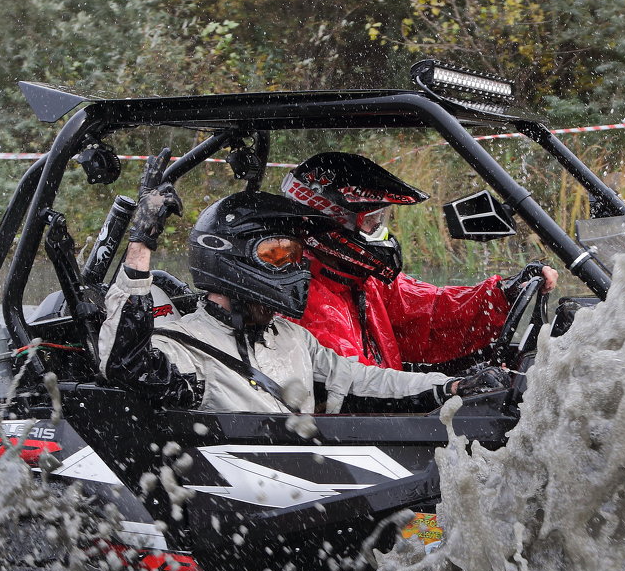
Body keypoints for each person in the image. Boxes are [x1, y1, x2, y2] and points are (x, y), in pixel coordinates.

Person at [99, 149, 507, 413]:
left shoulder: (291, 338)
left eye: (295, 254)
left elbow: (368, 381)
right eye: (277, 254)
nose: (295, 267)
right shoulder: (187, 350)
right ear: (230, 258)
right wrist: (141, 242)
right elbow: (127, 366)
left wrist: (451, 387)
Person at [280, 152, 559, 369]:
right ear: (333, 223)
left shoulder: (356, 279)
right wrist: (441, 392)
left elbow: (431, 313)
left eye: (382, 219)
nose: (383, 232)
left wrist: (504, 294)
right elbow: (362, 387)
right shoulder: (305, 302)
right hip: (365, 429)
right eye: (373, 222)